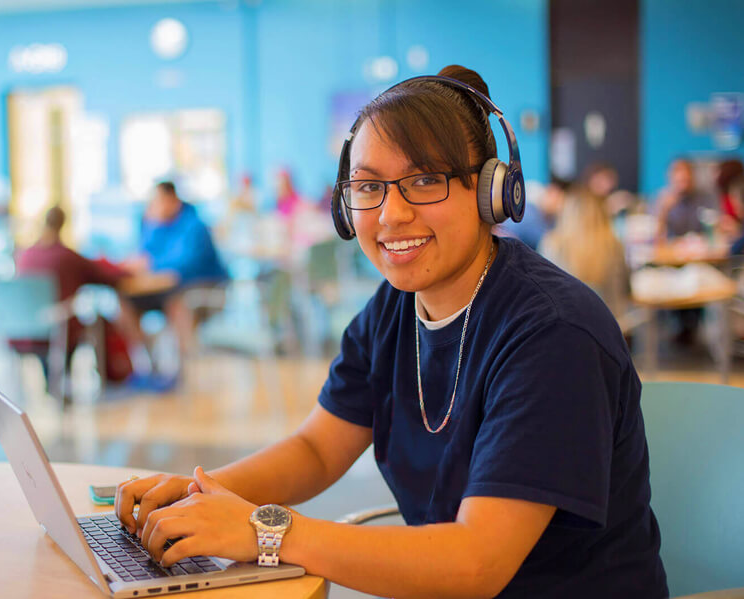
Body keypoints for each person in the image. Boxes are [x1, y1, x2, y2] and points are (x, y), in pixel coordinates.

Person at [114, 66, 667, 598]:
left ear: (490, 191)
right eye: (368, 187)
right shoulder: (393, 308)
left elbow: (477, 562)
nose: (391, 214)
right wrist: (195, 493)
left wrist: (268, 531)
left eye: (425, 180)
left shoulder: (552, 334)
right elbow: (315, 450)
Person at [14, 206, 136, 388]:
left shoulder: (24, 256)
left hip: (22, 329)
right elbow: (109, 277)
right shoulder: (68, 257)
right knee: (99, 322)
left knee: (64, 316)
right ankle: (112, 380)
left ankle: (57, 382)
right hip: (60, 328)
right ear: (63, 225)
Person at [129, 181, 227, 357]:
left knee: (177, 304)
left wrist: (152, 265)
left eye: (158, 201)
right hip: (167, 289)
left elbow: (184, 264)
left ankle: (186, 365)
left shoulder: (194, 225)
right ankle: (147, 361)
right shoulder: (156, 225)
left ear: (173, 200)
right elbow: (143, 256)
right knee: (126, 303)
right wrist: (149, 225)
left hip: (204, 288)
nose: (154, 206)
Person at [539, 188, 631, 322]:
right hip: (610, 330)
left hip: (563, 331)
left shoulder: (550, 245)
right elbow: (626, 288)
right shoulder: (614, 245)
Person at [654, 157, 712, 241]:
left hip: (700, 247)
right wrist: (664, 211)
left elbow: (713, 226)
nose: (683, 186)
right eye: (680, 181)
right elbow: (656, 237)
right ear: (671, 178)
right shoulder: (662, 198)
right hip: (671, 249)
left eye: (686, 180)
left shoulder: (704, 197)